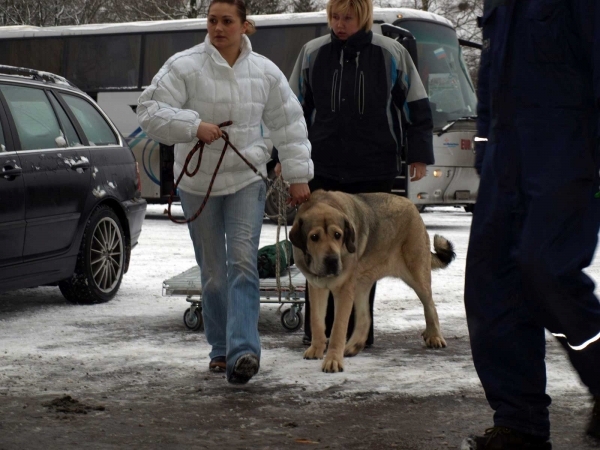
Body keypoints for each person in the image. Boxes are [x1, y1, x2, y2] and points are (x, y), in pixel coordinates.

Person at [137, 0, 313, 384]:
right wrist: (193, 125)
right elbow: (149, 111)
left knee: (244, 265)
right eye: (213, 20)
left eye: (227, 21)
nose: (218, 28)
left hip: (247, 178)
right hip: (197, 184)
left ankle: (244, 352)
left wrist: (298, 174)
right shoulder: (183, 65)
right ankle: (219, 349)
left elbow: (289, 123)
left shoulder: (266, 72)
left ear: (244, 26)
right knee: (214, 273)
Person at [463, 1, 600, 448]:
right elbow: (489, 76)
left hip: (566, 151)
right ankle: (518, 424)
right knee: (491, 286)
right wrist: (485, 148)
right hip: (506, 157)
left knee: (548, 271)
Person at [285, 0, 433, 347]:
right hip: (322, 168)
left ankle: (356, 334)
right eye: (334, 17)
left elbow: (416, 105)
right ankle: (316, 333)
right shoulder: (312, 53)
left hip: (374, 169)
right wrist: (284, 158)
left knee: (359, 255)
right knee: (316, 251)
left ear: (363, 17)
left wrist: (419, 154)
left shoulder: (391, 52)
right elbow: (291, 111)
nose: (339, 24)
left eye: (347, 17)